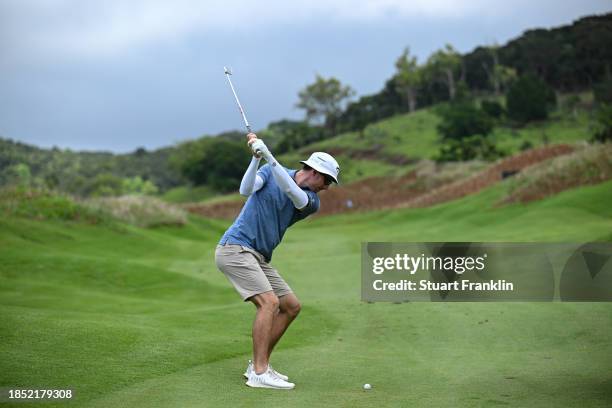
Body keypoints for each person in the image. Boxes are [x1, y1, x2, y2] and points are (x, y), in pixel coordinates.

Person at [215, 133, 339, 390]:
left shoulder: (311, 201)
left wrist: (269, 156)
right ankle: (259, 373)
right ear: (315, 173)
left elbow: (292, 192)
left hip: (258, 256)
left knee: (291, 306)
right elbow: (245, 190)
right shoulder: (271, 172)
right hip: (236, 248)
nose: (327, 188)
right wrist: (256, 159)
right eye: (327, 181)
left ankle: (259, 364)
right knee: (269, 303)